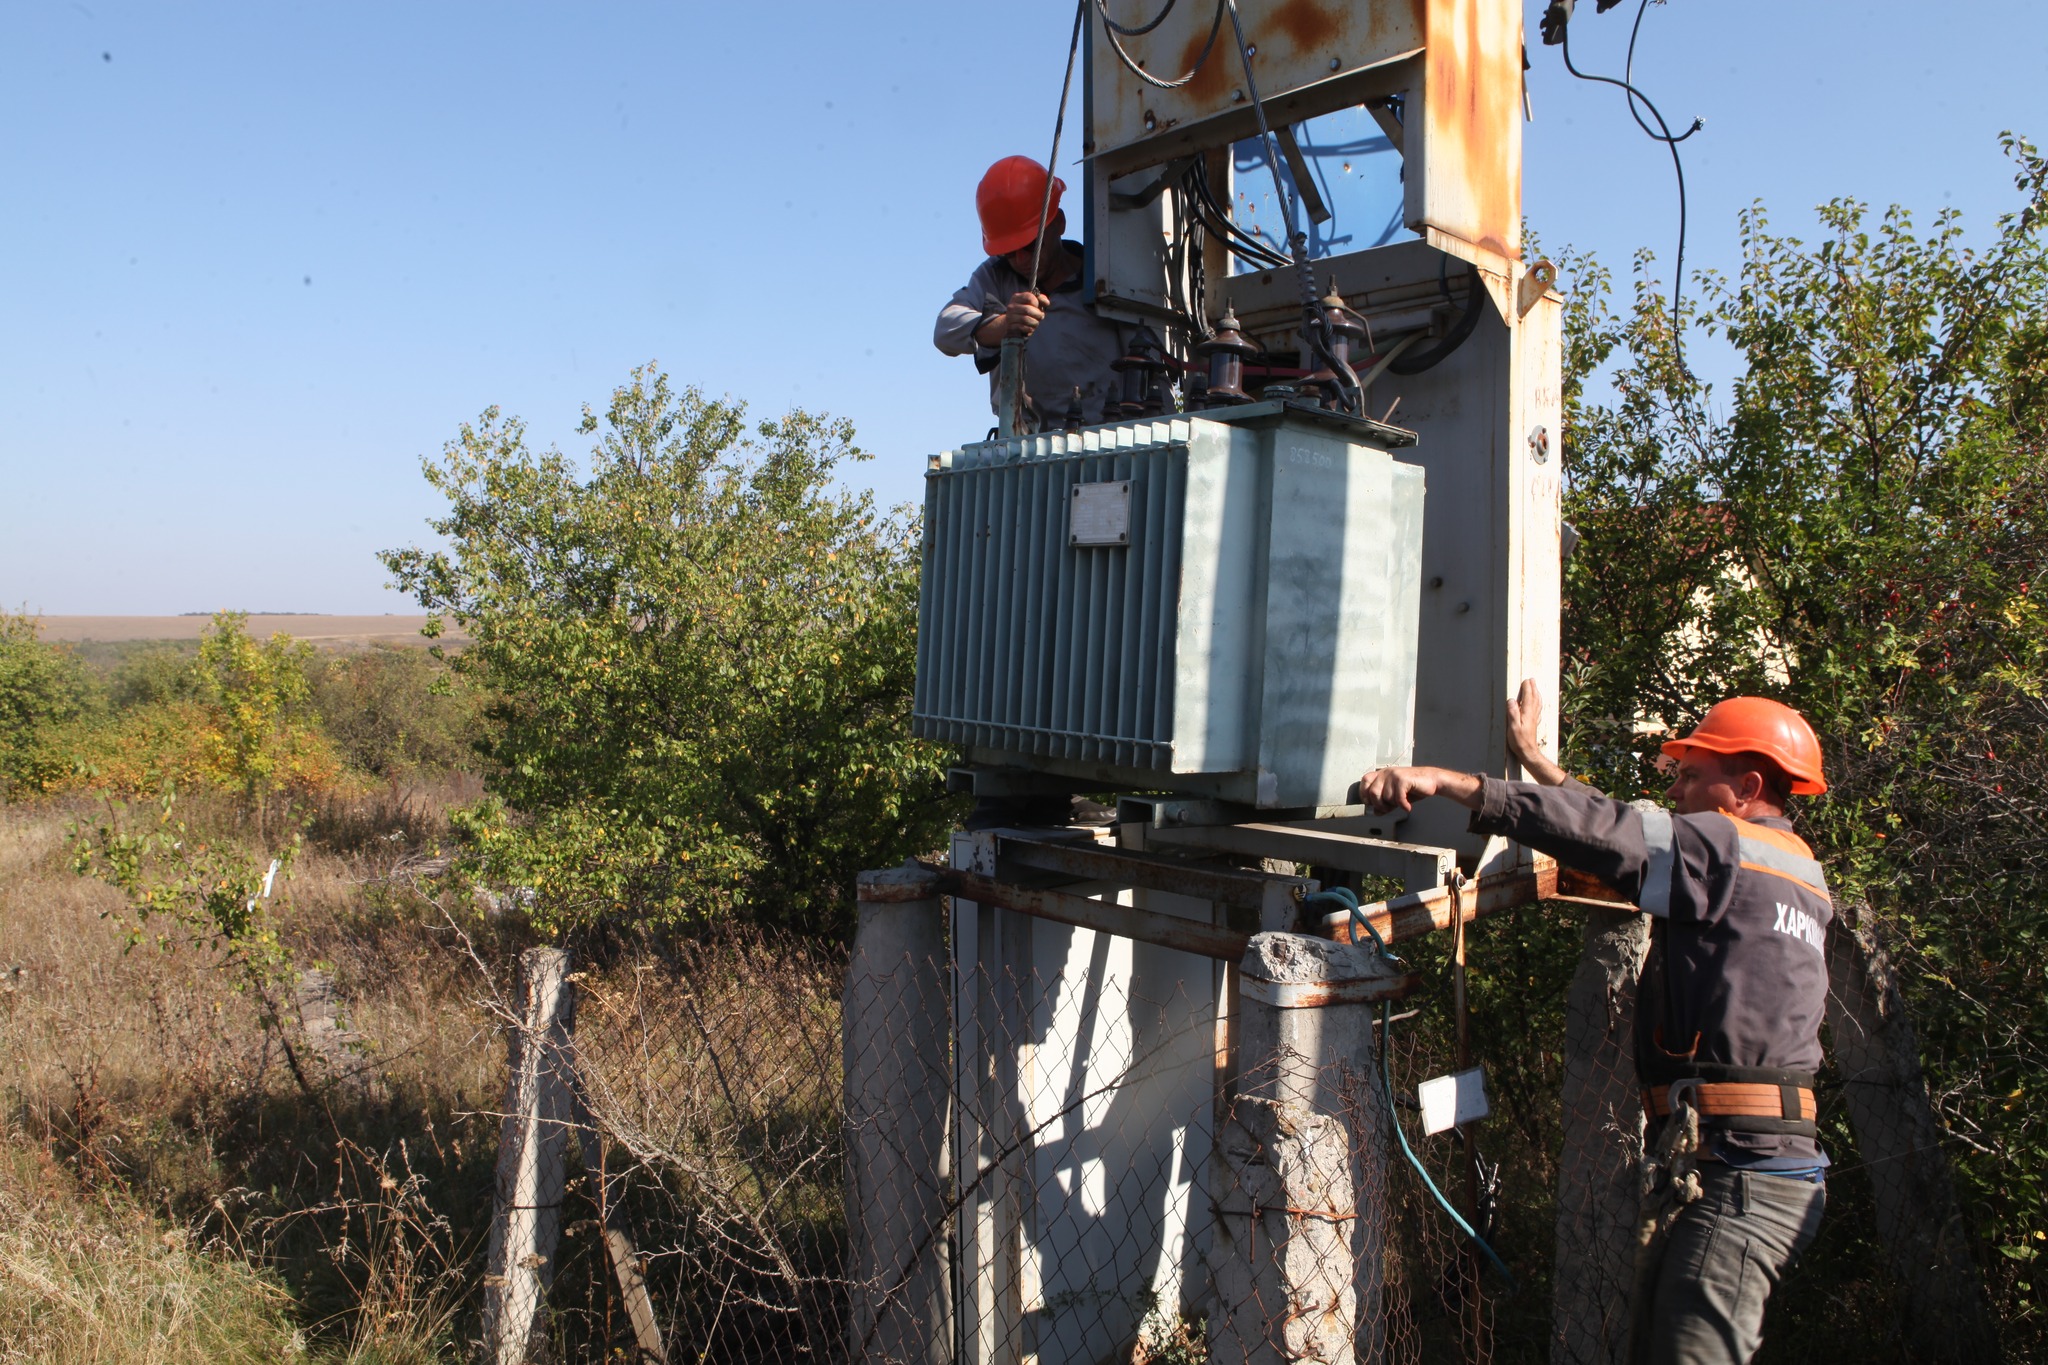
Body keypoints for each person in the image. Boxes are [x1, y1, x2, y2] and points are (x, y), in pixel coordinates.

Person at [1361, 683, 1833, 1365]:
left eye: (1693, 774)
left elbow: (1615, 833)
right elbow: (1615, 829)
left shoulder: (1726, 848)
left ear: (1747, 784)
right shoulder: (1793, 869)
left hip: (1742, 1179)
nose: (1676, 790)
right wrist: (1543, 766)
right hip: (1762, 1168)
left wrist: (1445, 781)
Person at [934, 155, 1130, 431]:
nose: (1022, 260)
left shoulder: (1105, 277)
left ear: (1058, 223)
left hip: (1105, 442)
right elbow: (944, 330)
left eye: (1030, 246)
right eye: (1009, 252)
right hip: (1026, 446)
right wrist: (1003, 326)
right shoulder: (995, 276)